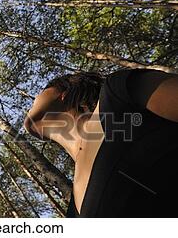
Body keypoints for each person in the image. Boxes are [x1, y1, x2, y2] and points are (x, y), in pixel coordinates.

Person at [23, 69, 178, 217]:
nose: (31, 103)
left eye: (39, 93)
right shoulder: (72, 214)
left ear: (62, 93)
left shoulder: (117, 95)